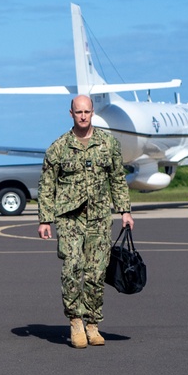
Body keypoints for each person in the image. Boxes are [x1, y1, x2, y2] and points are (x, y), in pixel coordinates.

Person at [37, 94, 134, 348]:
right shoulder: (58, 147)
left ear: (92, 113)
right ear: (71, 114)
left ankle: (92, 322)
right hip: (69, 217)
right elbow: (46, 184)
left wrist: (124, 210)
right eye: (78, 112)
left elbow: (117, 178)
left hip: (99, 217)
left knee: (96, 272)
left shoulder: (108, 143)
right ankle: (76, 321)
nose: (83, 116)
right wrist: (45, 219)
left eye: (87, 112)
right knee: (72, 268)